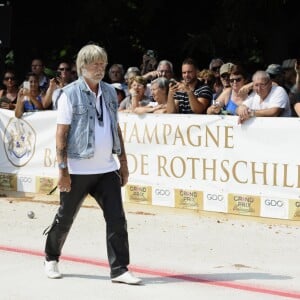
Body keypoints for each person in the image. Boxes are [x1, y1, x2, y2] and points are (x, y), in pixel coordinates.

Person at [43, 44, 142, 285]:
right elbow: (61, 134)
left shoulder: (109, 91)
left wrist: (123, 163)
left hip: (106, 169)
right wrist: (63, 170)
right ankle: (51, 256)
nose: (101, 68)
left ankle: (119, 269)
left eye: (103, 64)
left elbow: (115, 127)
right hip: (77, 169)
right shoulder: (70, 93)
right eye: (95, 64)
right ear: (82, 66)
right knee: (65, 217)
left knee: (117, 219)